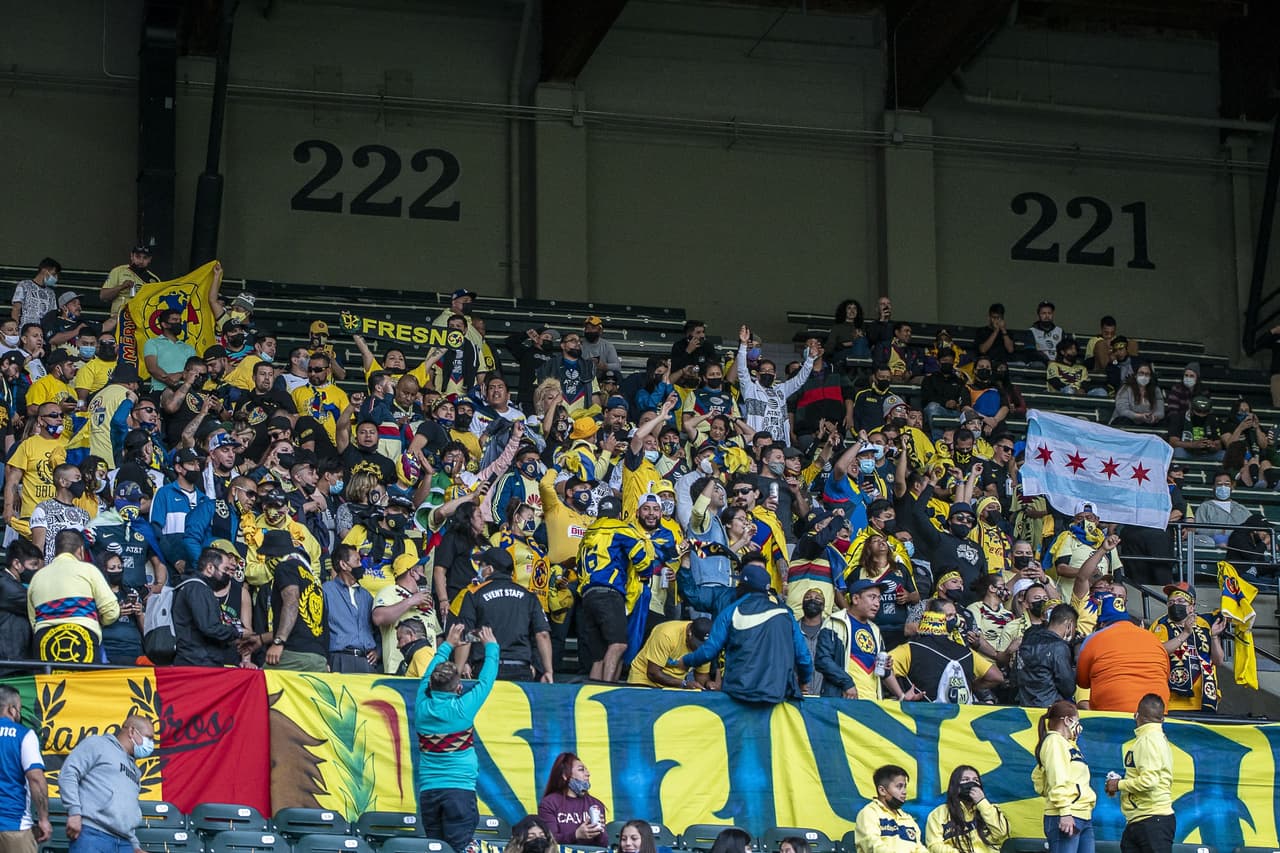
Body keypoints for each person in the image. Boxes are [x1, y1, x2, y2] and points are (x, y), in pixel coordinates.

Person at [677, 556, 813, 704]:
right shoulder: (786, 613)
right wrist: (803, 681)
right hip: (777, 694)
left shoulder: (731, 612)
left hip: (738, 694)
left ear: (741, 585)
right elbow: (804, 657)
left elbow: (709, 650)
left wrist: (686, 660)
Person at [415, 621, 498, 852]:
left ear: (430, 686)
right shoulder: (463, 709)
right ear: (459, 688)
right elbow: (487, 680)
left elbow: (427, 677)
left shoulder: (422, 705)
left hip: (429, 794)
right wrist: (491, 647)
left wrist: (447, 645)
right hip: (459, 794)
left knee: (436, 849)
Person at [59, 713, 156, 853]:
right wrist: (74, 813)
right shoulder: (97, 744)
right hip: (92, 834)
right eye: (149, 738)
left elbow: (129, 808)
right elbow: (69, 773)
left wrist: (135, 846)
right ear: (132, 731)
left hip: (124, 843)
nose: (151, 744)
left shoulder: (135, 770)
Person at [454, 547, 553, 683]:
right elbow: (542, 634)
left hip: (485, 668)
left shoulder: (473, 594)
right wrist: (548, 671)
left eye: (481, 565)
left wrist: (457, 673)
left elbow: (465, 636)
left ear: (489, 569)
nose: (479, 570)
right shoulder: (529, 596)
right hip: (521, 669)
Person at [27, 530, 121, 664]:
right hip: (83, 639)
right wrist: (99, 621)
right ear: (81, 550)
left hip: (45, 643)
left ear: (56, 551)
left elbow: (33, 622)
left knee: (50, 684)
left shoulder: (37, 577)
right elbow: (111, 612)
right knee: (82, 685)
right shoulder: (89, 570)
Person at [1077, 595, 1171, 713]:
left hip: (1113, 714)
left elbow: (1083, 682)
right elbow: (1165, 675)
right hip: (1155, 713)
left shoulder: (1094, 639)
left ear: (1101, 623)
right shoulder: (1152, 638)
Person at [1105, 694, 1175, 853]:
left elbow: (1149, 781)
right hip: (1145, 819)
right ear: (1162, 718)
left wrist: (1119, 784)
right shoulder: (1155, 738)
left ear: (1137, 715)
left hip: (1151, 819)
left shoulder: (1148, 740)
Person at [1149, 583, 1225, 712]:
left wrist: (1214, 636)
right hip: (1174, 701)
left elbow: (1218, 661)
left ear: (1192, 606)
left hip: (1205, 698)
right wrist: (1185, 633)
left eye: (1180, 601)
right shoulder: (1160, 624)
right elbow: (1158, 652)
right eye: (1171, 602)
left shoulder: (1205, 623)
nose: (1175, 605)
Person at [261, 530, 329, 672]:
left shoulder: (285, 567)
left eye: (267, 556)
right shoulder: (312, 578)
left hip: (294, 653)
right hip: (318, 658)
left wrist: (279, 641)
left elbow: (291, 601)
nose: (266, 560)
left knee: (259, 683)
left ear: (274, 555)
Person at [1032, 701, 1096, 853]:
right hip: (1066, 815)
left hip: (1082, 815)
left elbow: (1039, 777)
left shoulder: (1069, 745)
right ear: (1067, 720)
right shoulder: (1054, 742)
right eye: (1077, 721)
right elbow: (1057, 779)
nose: (1079, 727)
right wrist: (1065, 812)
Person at [814, 578, 887, 700]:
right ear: (855, 599)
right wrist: (847, 683)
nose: (877, 603)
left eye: (879, 598)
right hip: (844, 701)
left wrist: (901, 694)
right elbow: (822, 660)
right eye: (872, 597)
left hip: (873, 703)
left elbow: (881, 670)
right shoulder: (834, 622)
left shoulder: (875, 630)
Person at [172, 548, 245, 667]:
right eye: (225, 569)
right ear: (210, 568)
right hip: (198, 662)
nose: (228, 574)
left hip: (195, 659)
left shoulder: (190, 586)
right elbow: (209, 627)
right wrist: (238, 632)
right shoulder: (198, 589)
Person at [0, 684, 51, 853]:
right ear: (12, 709)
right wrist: (43, 819)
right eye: (19, 709)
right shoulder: (24, 735)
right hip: (13, 826)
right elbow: (36, 778)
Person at [322, 544, 380, 674]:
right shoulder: (326, 591)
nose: (361, 565)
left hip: (367, 662)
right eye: (357, 561)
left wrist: (378, 652)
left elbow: (378, 630)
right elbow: (319, 630)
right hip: (339, 659)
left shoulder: (366, 595)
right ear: (343, 565)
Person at [925, 765, 1010, 853]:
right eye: (965, 780)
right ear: (955, 786)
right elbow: (934, 846)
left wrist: (982, 802)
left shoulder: (990, 809)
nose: (972, 783)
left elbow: (1002, 834)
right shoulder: (939, 813)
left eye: (976, 780)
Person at [538, 752, 608, 845]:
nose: (588, 774)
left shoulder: (595, 805)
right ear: (565, 775)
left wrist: (598, 831)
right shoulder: (549, 803)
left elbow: (603, 844)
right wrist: (575, 835)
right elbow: (549, 840)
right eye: (581, 770)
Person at [1015, 604, 1078, 707]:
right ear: (1069, 625)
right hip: (1049, 708)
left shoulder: (1028, 639)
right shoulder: (1059, 647)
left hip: (1023, 705)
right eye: (1075, 627)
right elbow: (1068, 687)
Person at [855, 764, 928, 853]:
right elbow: (874, 846)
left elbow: (919, 848)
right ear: (882, 790)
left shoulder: (908, 819)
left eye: (905, 786)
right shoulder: (869, 813)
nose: (904, 792)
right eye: (899, 786)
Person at [29, 462, 91, 565]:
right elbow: (38, 548)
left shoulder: (84, 514)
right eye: (77, 478)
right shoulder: (44, 509)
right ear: (63, 482)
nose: (81, 483)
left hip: (78, 572)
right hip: (52, 571)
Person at [627, 618, 712, 688]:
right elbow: (653, 673)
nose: (700, 649)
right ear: (689, 633)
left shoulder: (706, 648)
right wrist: (684, 684)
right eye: (698, 644)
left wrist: (707, 686)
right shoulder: (666, 634)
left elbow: (701, 676)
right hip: (644, 680)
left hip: (675, 686)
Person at [0, 542, 40, 670]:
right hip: (9, 660)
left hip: (15, 659)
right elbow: (37, 606)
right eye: (33, 565)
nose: (36, 570)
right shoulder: (5, 584)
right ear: (16, 564)